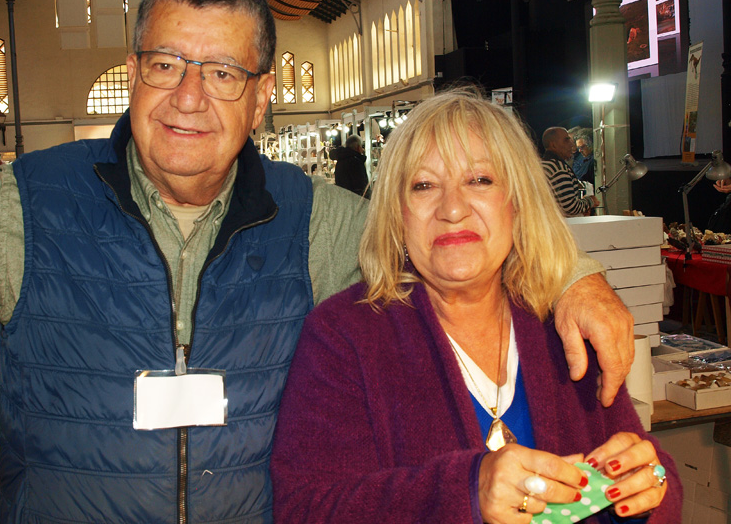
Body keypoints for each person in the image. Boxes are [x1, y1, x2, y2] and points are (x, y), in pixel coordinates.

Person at [0, 0, 633, 524]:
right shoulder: (27, 205)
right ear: (135, 70)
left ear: (262, 97)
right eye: (166, 63)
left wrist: (576, 276)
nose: (188, 97)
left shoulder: (314, 220)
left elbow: (448, 234)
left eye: (223, 73)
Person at [271, 89, 679, 523]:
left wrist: (644, 490)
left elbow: (650, 468)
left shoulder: (563, 324)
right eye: (424, 185)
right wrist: (464, 492)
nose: (452, 209)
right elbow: (305, 508)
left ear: (517, 204)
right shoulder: (343, 337)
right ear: (397, 213)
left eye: (479, 180)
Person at [541, 126, 598, 217]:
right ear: (553, 145)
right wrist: (590, 201)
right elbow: (570, 207)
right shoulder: (558, 169)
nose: (571, 144)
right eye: (566, 140)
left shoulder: (543, 165)